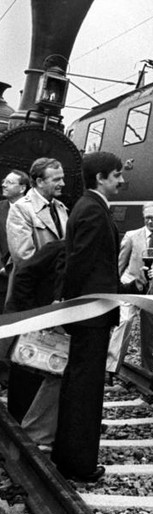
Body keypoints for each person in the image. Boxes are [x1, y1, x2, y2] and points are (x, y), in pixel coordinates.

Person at [52, 152, 124, 482]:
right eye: (116, 175)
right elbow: (80, 263)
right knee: (86, 388)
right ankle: (79, 464)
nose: (121, 180)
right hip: (91, 313)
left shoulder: (86, 206)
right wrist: (72, 304)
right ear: (100, 178)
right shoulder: (94, 211)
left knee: (77, 383)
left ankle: (66, 454)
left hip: (88, 311)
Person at [5, 159, 68, 446]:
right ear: (38, 181)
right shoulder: (22, 209)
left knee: (47, 362)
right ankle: (20, 421)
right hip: (30, 299)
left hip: (55, 298)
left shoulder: (61, 209)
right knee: (25, 360)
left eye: (62, 178)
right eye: (56, 179)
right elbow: (23, 257)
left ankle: (39, 423)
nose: (62, 183)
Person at [106, 202, 153, 375]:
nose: (150, 222)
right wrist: (117, 288)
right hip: (131, 288)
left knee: (149, 333)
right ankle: (111, 369)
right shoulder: (132, 236)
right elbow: (120, 264)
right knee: (125, 323)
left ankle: (146, 371)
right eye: (147, 218)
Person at [0, 170, 29, 313]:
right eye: (4, 181)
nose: (3, 185)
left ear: (22, 188)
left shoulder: (31, 211)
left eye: (9, 183)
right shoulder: (0, 208)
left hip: (23, 279)